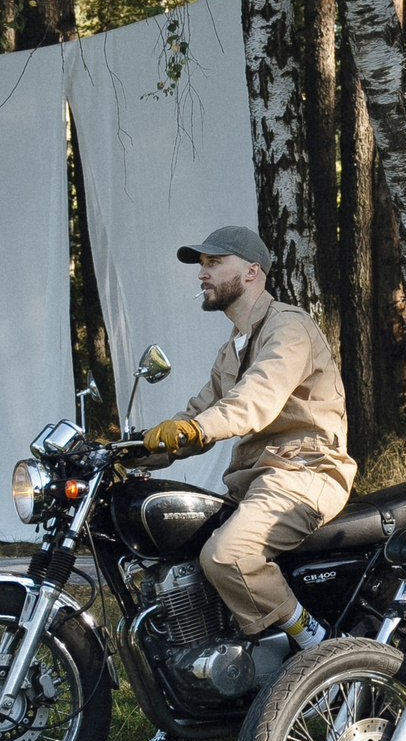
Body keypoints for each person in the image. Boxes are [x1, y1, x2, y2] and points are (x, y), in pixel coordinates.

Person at [143, 225, 358, 668]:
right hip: (261, 479)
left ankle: (318, 649)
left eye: (214, 262)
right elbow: (199, 411)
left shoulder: (289, 327)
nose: (202, 273)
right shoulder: (233, 348)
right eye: (201, 265)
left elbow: (253, 400)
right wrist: (127, 452)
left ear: (251, 272)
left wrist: (194, 430)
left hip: (305, 473)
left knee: (228, 556)